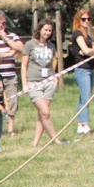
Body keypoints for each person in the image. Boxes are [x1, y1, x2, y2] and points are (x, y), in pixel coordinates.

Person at [22, 19, 65, 147]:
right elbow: (24, 66)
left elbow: (53, 62)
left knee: (42, 114)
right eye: (45, 30)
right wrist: (25, 84)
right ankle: (56, 140)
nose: (47, 32)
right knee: (45, 113)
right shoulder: (30, 45)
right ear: (39, 30)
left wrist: (54, 76)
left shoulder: (51, 46)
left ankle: (35, 144)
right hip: (34, 83)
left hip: (49, 82)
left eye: (50, 30)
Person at [0, 10, 23, 139]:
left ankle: (10, 129)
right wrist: (7, 53)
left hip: (10, 75)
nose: (1, 25)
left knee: (12, 100)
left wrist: (5, 38)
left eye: (3, 22)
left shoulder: (12, 36)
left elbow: (21, 48)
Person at [70, 9, 94, 135]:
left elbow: (87, 51)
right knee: (86, 98)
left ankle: (80, 124)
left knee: (83, 98)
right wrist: (93, 50)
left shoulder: (86, 34)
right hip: (82, 70)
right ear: (78, 20)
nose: (86, 21)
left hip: (90, 68)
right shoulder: (78, 33)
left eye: (88, 19)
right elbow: (86, 51)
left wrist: (90, 50)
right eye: (83, 19)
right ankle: (86, 125)